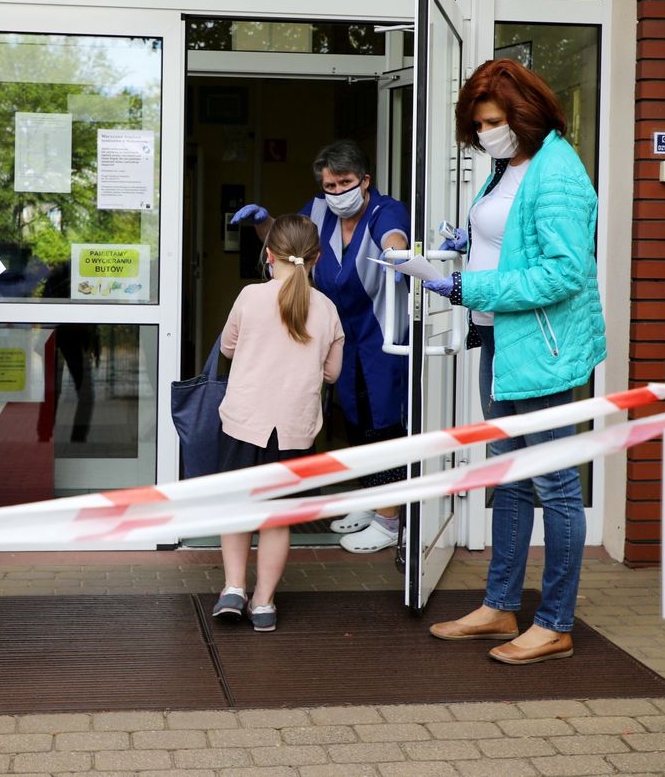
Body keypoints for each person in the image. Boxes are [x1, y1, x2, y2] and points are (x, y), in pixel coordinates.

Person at [422, 58, 605, 665]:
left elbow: (564, 272)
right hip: (501, 343)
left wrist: (459, 289)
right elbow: (511, 243)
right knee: (507, 476)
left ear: (524, 113)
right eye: (476, 124)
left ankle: (554, 623)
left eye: (493, 121)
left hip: (543, 347)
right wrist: (465, 248)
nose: (483, 134)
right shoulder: (511, 166)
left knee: (553, 484)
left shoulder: (557, 172)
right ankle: (500, 606)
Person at [230, 140, 408, 553]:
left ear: (364, 181)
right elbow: (292, 246)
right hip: (337, 337)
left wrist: (399, 257)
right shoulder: (320, 211)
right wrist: (264, 222)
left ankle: (389, 519)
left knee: (385, 426)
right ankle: (370, 501)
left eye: (344, 182)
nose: (336, 192)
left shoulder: (385, 211)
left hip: (379, 337)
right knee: (354, 421)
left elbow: (393, 238)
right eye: (329, 184)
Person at [211, 215, 344, 631]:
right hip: (294, 430)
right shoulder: (327, 310)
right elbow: (333, 374)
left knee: (236, 509)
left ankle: (233, 588)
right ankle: (264, 603)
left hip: (243, 423)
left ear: (268, 255)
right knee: (277, 518)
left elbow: (228, 349)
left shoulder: (250, 297)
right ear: (317, 257)